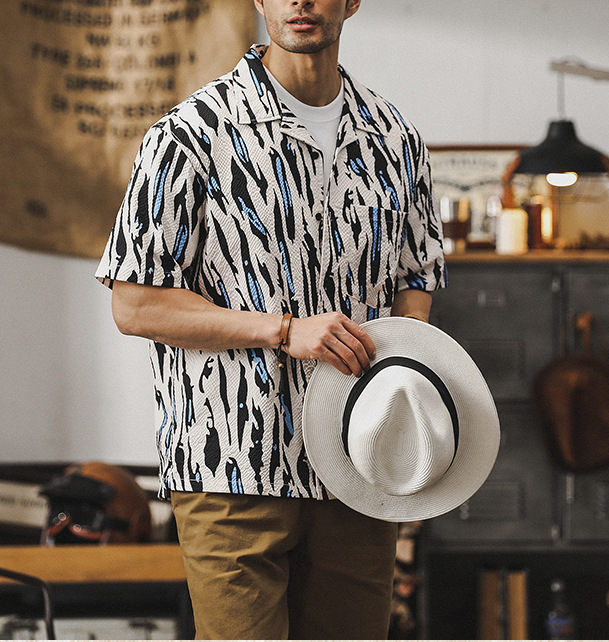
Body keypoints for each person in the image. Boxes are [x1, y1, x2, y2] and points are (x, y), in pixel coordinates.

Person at [96, 0, 446, 638]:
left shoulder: (397, 141)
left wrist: (398, 393)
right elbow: (135, 303)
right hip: (233, 468)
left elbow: (415, 283)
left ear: (352, 1)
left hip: (359, 470)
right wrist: (283, 330)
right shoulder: (190, 135)